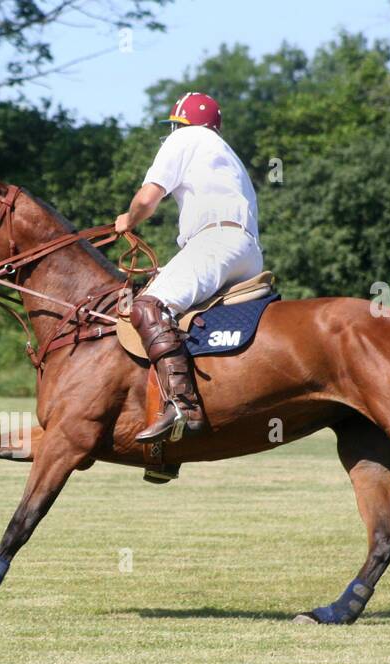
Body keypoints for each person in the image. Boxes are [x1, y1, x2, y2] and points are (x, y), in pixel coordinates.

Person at [115, 92, 264, 442]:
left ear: (180, 124)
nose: (172, 132)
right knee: (175, 310)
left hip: (216, 243)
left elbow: (147, 199)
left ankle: (181, 405)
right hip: (247, 252)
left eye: (174, 126)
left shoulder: (185, 137)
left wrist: (129, 220)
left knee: (149, 306)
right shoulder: (227, 153)